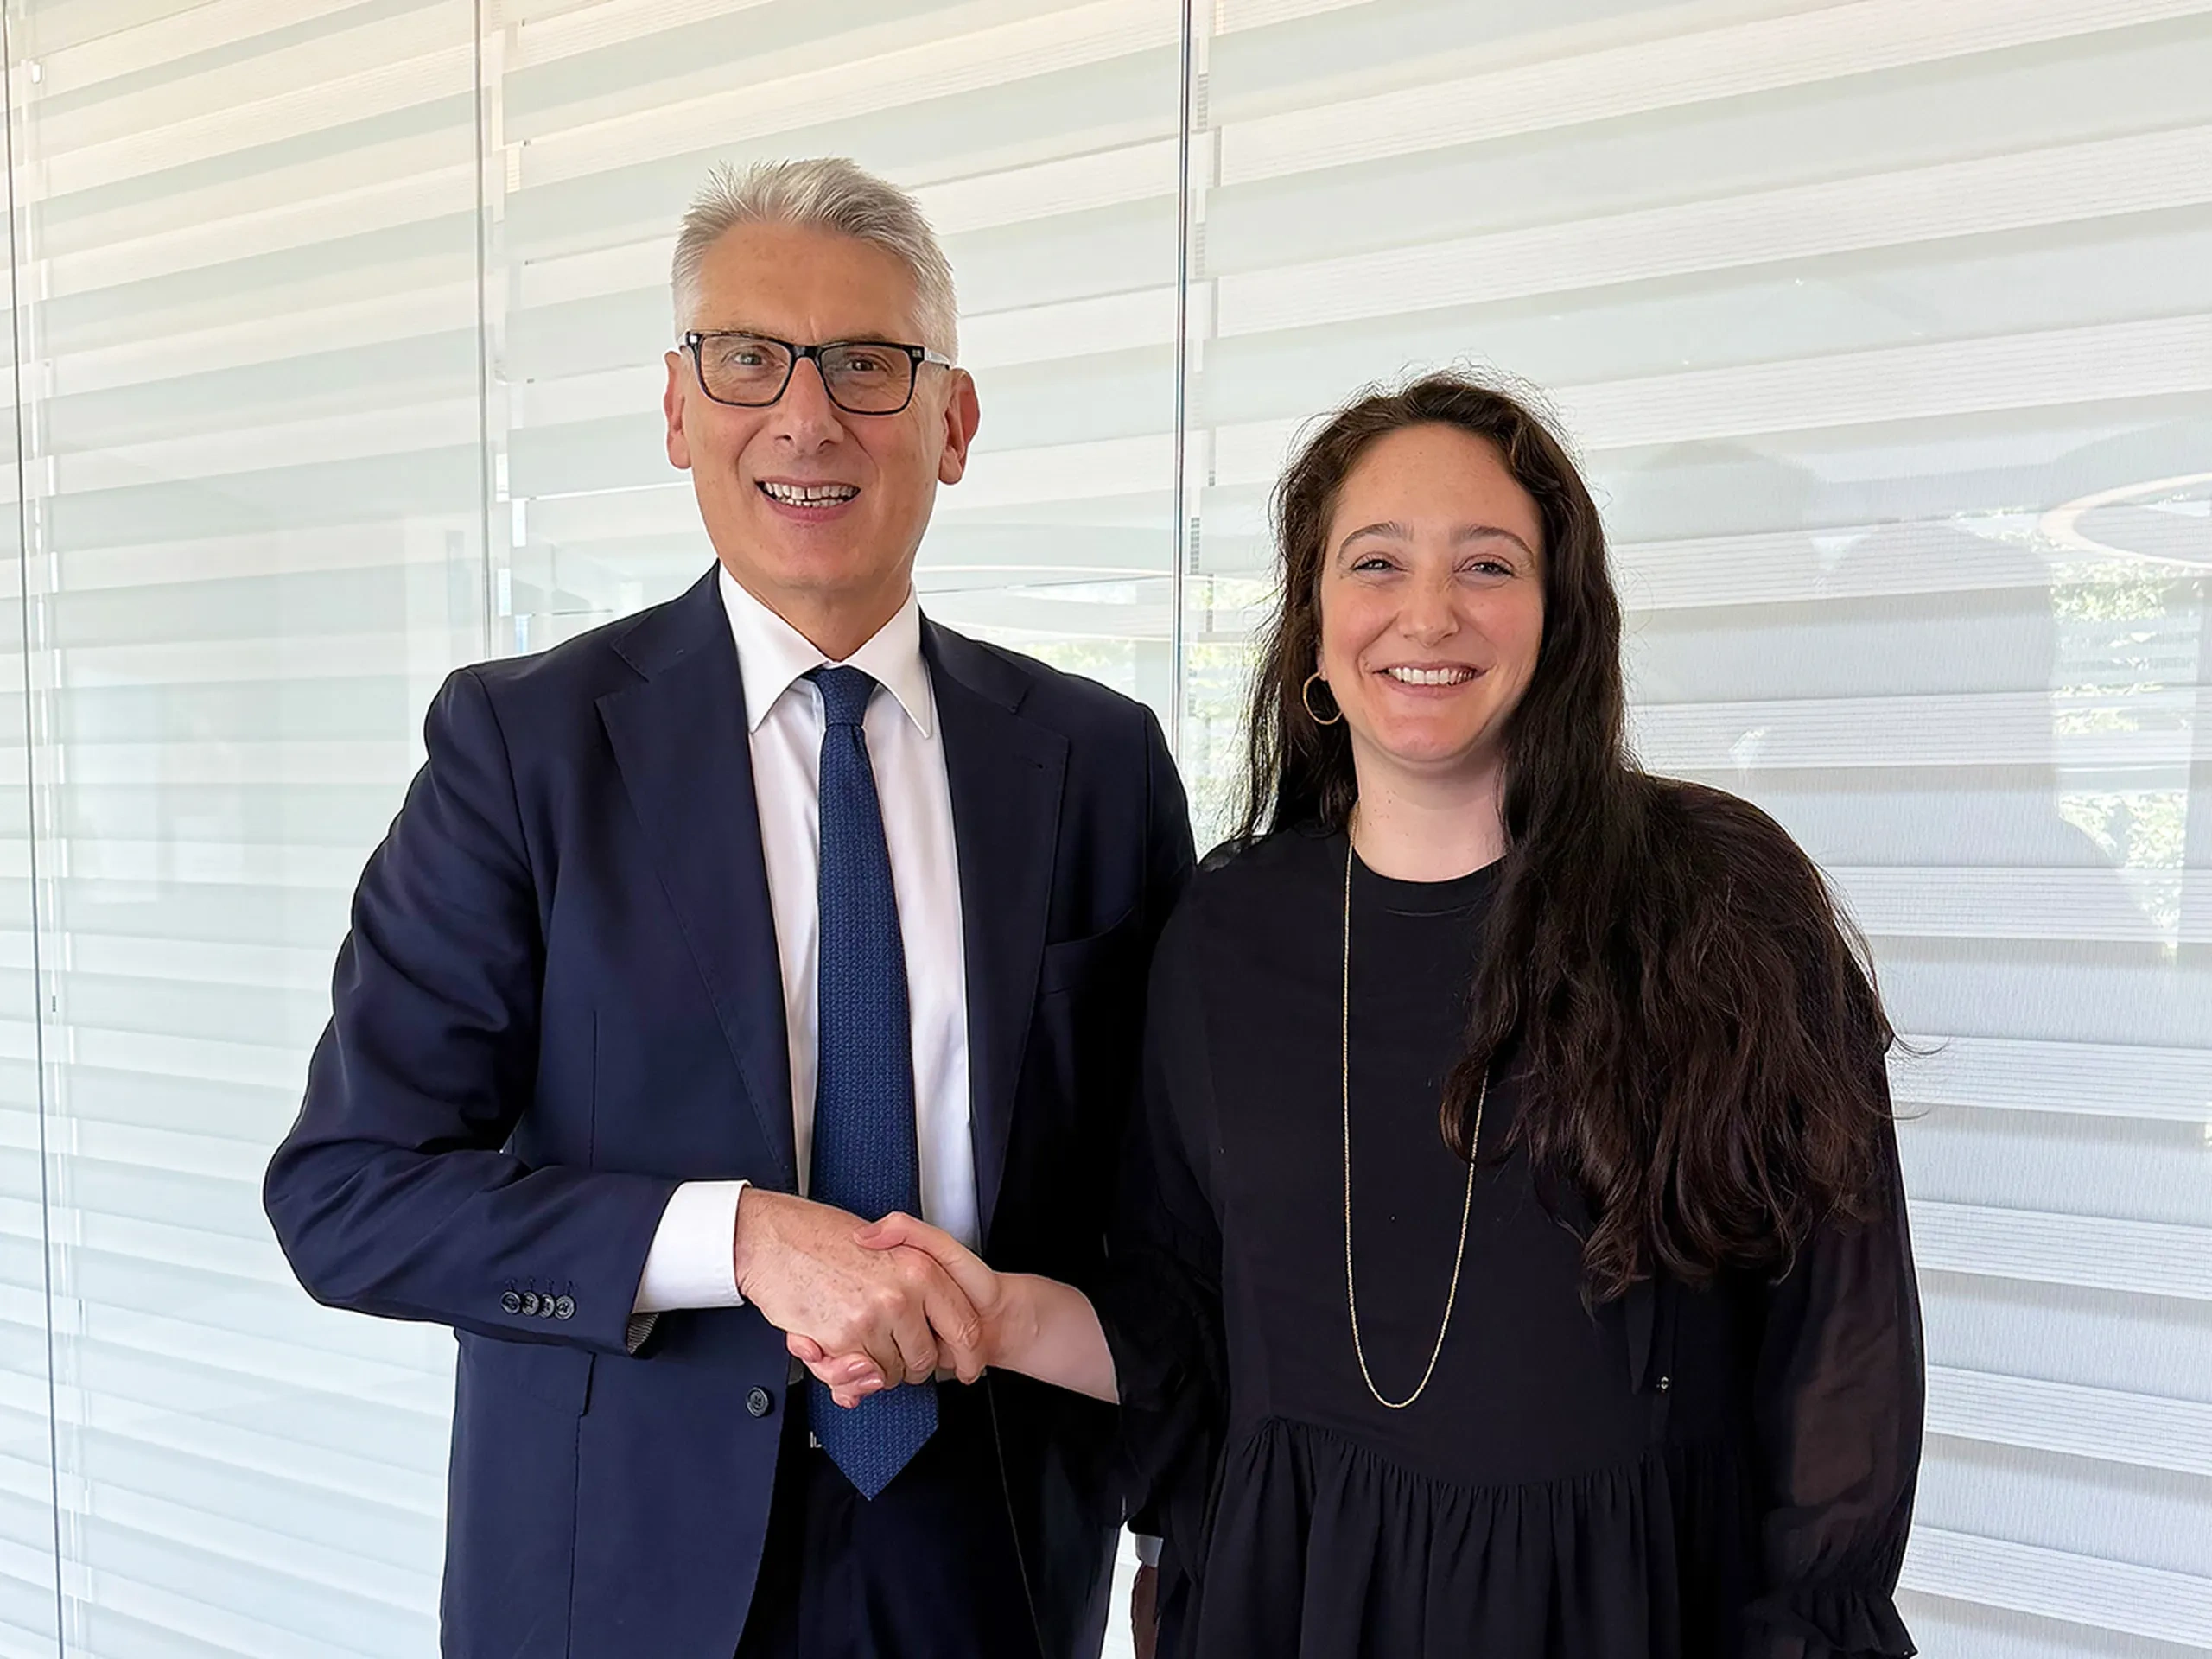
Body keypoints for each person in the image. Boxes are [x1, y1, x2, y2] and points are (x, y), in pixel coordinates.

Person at [798, 373, 1926, 1657]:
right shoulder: (1222, 929)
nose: (1428, 613)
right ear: (1318, 624)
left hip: (1613, 1609)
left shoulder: (1719, 899)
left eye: (1488, 565)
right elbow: (1184, 1328)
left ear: (1561, 617)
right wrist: (993, 1318)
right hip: (1290, 1602)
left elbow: (1839, 1349)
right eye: (1376, 561)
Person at [264, 157, 1194, 1659]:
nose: (806, 415)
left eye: (870, 366)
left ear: (952, 424)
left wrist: (1197, 1525)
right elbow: (347, 1195)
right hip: (618, 1570)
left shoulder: (1094, 761)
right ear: (679, 410)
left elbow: (1169, 1213)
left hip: (995, 1558)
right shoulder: (525, 749)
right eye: (748, 359)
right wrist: (742, 1238)